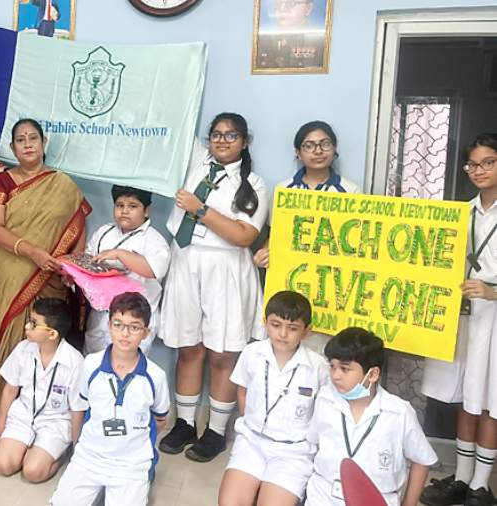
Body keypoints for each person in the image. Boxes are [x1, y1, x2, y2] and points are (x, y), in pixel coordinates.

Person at [159, 112, 269, 462]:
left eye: (231, 135)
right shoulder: (194, 164)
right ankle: (186, 423)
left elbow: (244, 235)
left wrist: (201, 208)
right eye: (216, 135)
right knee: (189, 347)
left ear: (244, 141)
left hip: (226, 268)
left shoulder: (254, 183)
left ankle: (217, 431)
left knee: (223, 352)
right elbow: (175, 111)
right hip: (186, 261)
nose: (222, 140)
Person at [0, 118, 90, 436]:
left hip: (53, 272)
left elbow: (78, 224)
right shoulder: (3, 182)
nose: (28, 144)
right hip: (10, 264)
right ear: (13, 147)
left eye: (33, 138)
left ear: (44, 143)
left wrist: (72, 266)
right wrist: (32, 252)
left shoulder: (64, 184)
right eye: (20, 139)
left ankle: (48, 412)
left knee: (46, 333)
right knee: (14, 334)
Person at [421, 133, 497, 506]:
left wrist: (493, 292)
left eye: (488, 163)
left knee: (490, 401)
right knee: (466, 397)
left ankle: (482, 485)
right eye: (473, 164)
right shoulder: (460, 214)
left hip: (494, 316)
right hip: (463, 315)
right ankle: (463, 479)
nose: (479, 170)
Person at [50, 292, 170, 506]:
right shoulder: (90, 364)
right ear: (108, 326)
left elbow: (160, 420)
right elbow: (84, 405)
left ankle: (147, 472)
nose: (125, 333)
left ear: (146, 333)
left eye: (134, 327)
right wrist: (80, 446)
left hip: (131, 463)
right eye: (118, 324)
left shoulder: (156, 376)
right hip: (90, 456)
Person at [253, 120, 360, 354]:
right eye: (309, 146)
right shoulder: (284, 189)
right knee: (287, 343)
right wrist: (263, 253)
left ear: (335, 148)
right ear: (298, 152)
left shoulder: (350, 191)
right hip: (292, 282)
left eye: (325, 144)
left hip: (331, 285)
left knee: (323, 351)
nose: (318, 151)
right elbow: (275, 233)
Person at [218, 290, 328, 506]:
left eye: (293, 328)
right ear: (265, 323)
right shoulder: (251, 353)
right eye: (276, 325)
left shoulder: (318, 368)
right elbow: (243, 391)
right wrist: (252, 424)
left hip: (294, 452)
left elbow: (323, 413)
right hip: (252, 441)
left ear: (307, 331)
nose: (283, 334)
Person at [305, 328, 437, 506]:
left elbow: (422, 460)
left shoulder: (398, 413)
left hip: (376, 498)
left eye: (345, 369)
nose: (335, 375)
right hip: (323, 495)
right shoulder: (325, 399)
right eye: (333, 366)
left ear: (373, 374)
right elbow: (312, 442)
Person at [0, 297, 84, 483]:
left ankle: (54, 457)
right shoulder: (23, 349)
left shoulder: (75, 362)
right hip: (23, 415)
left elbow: (77, 409)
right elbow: (10, 390)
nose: (27, 326)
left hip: (55, 421)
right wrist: (1, 429)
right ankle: (29, 450)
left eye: (34, 324)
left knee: (33, 472)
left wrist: (77, 448)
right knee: (4, 465)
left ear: (52, 334)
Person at [83, 185, 170, 354]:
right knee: (93, 364)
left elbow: (153, 270)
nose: (124, 211)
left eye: (132, 206)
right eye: (119, 205)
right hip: (101, 314)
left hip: (135, 319)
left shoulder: (154, 240)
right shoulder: (103, 232)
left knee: (128, 368)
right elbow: (88, 261)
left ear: (146, 210)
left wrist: (120, 255)